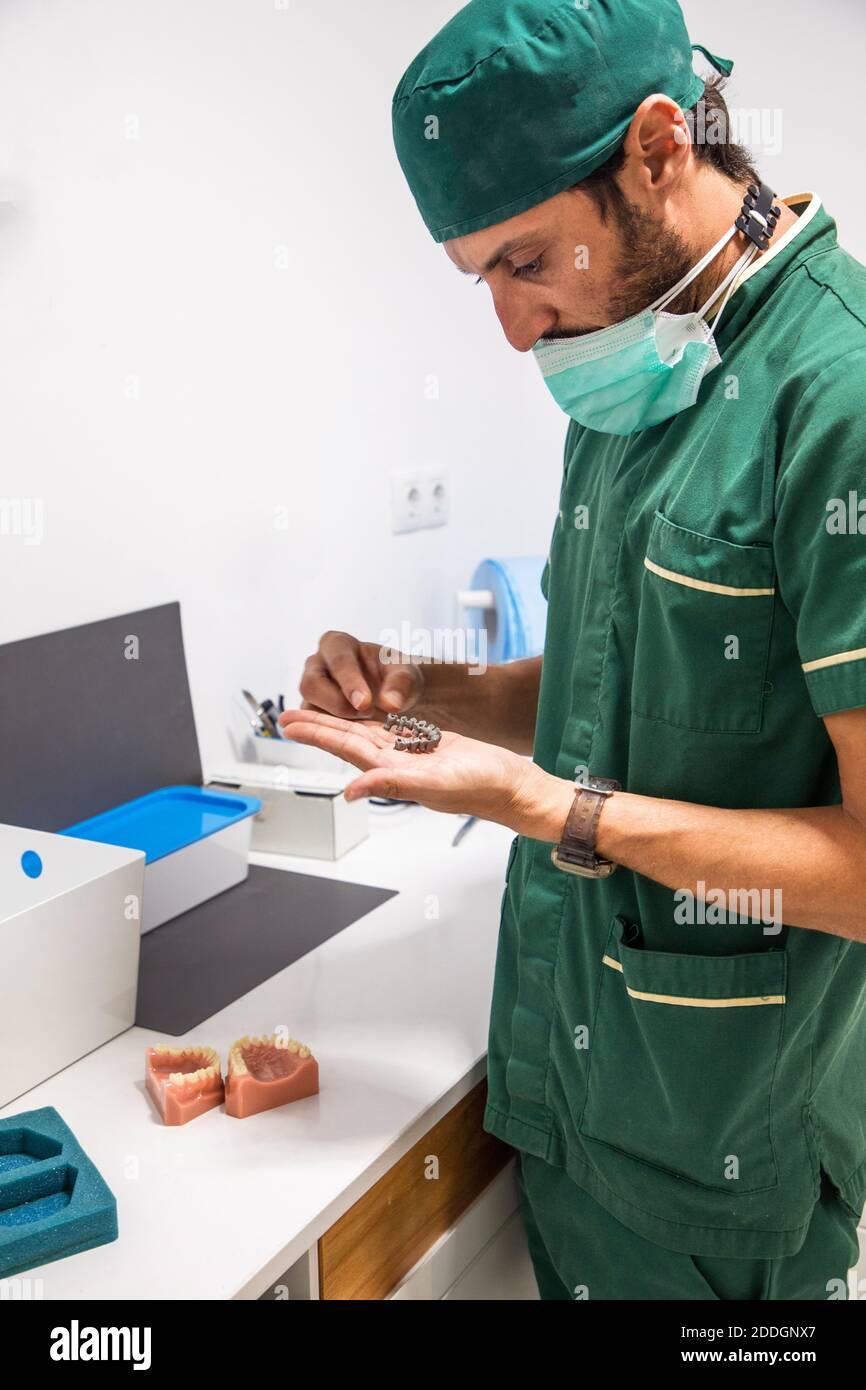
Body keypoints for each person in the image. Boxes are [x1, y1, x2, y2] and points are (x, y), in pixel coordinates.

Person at [279, 0, 866, 1300]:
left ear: (659, 145)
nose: (511, 327)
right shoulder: (627, 364)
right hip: (576, 1114)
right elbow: (631, 689)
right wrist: (420, 692)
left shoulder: (838, 401)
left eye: (527, 260)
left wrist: (554, 809)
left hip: (723, 1159)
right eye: (481, 275)